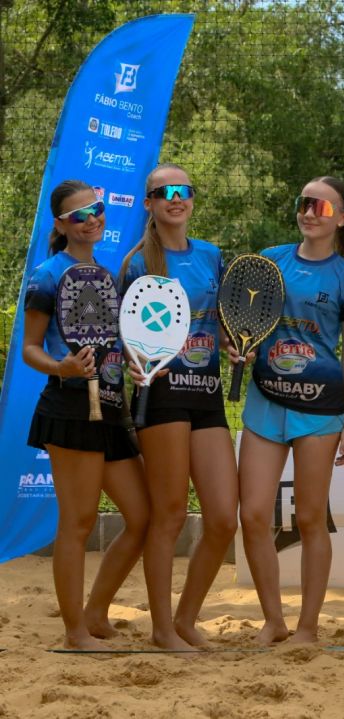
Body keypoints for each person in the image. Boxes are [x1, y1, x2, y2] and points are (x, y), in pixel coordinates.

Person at [237, 176, 344, 644]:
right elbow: (243, 327)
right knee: (252, 514)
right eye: (305, 202)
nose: (311, 212)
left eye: (323, 207)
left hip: (320, 410)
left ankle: (308, 628)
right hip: (265, 401)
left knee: (311, 518)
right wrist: (242, 350)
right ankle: (274, 620)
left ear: (343, 218)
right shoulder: (269, 262)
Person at [23, 179, 149, 649]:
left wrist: (130, 362)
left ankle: (95, 614)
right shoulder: (47, 275)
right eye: (80, 215)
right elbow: (30, 349)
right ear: (60, 224)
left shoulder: (107, 274)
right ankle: (75, 632)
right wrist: (63, 367)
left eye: (96, 210)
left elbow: (112, 342)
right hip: (69, 407)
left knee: (142, 517)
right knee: (77, 523)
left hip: (112, 408)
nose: (92, 218)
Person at [118, 163, 238, 650]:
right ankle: (163, 630)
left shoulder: (212, 256)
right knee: (167, 516)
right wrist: (134, 362)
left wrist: (233, 344)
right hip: (160, 394)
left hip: (206, 393)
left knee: (223, 519)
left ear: (191, 199)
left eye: (183, 190)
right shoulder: (137, 263)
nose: (175, 198)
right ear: (149, 203)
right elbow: (125, 335)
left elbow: (224, 321)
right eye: (163, 192)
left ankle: (186, 620)